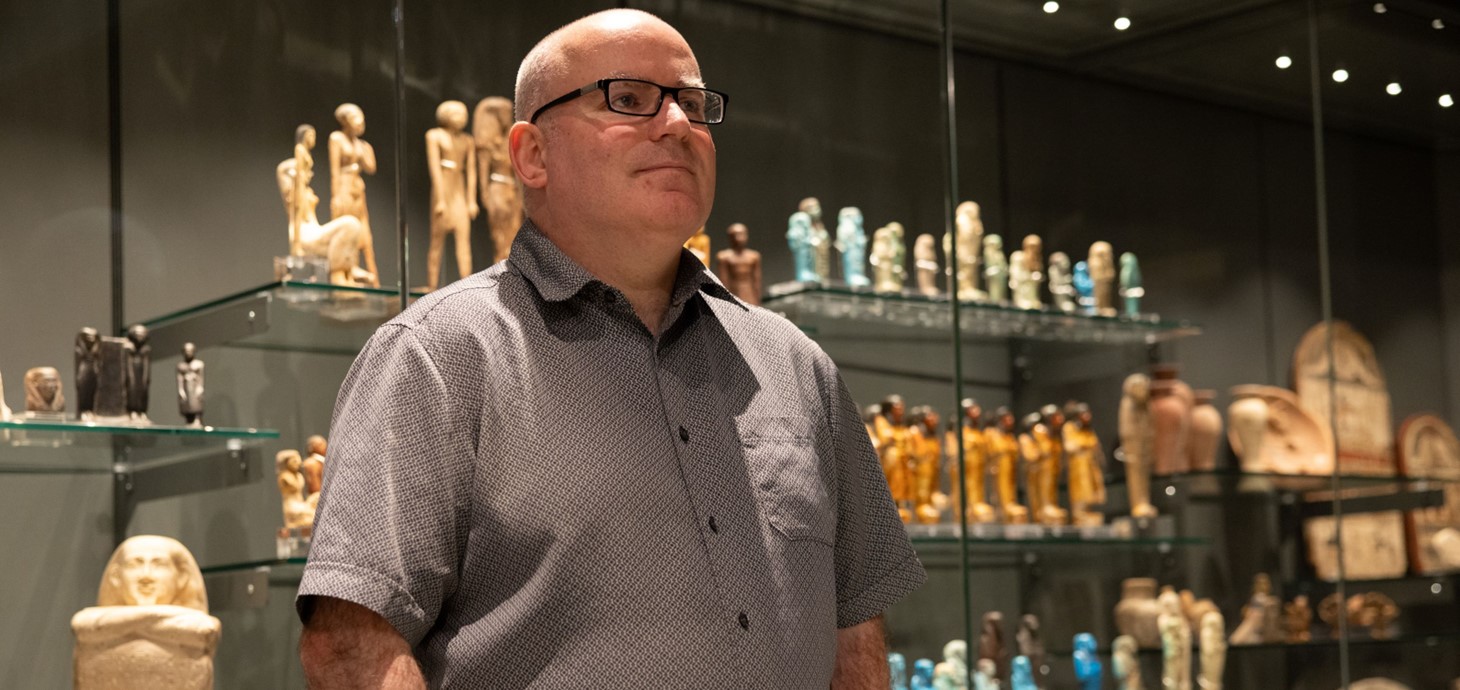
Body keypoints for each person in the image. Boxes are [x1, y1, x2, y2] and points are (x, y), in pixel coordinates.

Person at [296, 9, 925, 689]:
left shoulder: (799, 368)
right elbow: (350, 642)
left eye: (692, 104)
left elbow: (855, 630)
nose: (679, 125)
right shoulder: (437, 358)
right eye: (628, 99)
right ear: (531, 155)